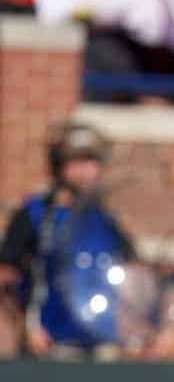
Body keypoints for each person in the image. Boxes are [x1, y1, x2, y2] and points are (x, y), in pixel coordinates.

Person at [0, 123, 136, 360]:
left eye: (91, 161)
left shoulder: (103, 219)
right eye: (75, 162)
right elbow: (6, 273)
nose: (85, 171)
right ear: (58, 166)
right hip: (49, 344)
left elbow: (132, 272)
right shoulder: (35, 214)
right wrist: (26, 326)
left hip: (99, 345)